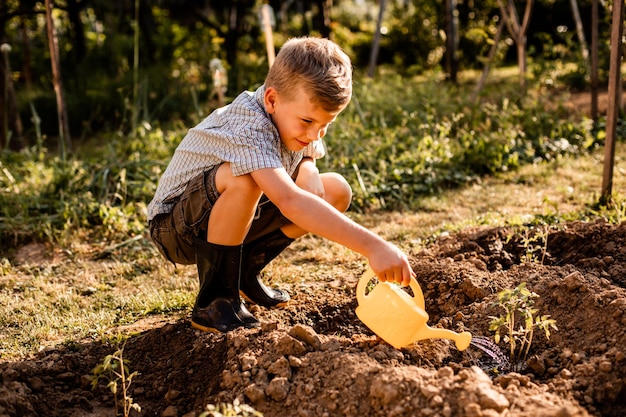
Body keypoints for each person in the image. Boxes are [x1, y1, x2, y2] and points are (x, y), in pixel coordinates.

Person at [147, 36, 415, 334]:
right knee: (244, 180)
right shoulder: (248, 126)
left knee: (335, 189)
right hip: (176, 230)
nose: (315, 134)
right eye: (307, 122)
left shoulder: (291, 117)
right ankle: (215, 301)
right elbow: (290, 201)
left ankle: (245, 269)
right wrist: (373, 246)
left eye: (326, 125)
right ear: (272, 100)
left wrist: (308, 165)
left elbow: (306, 162)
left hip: (227, 218)